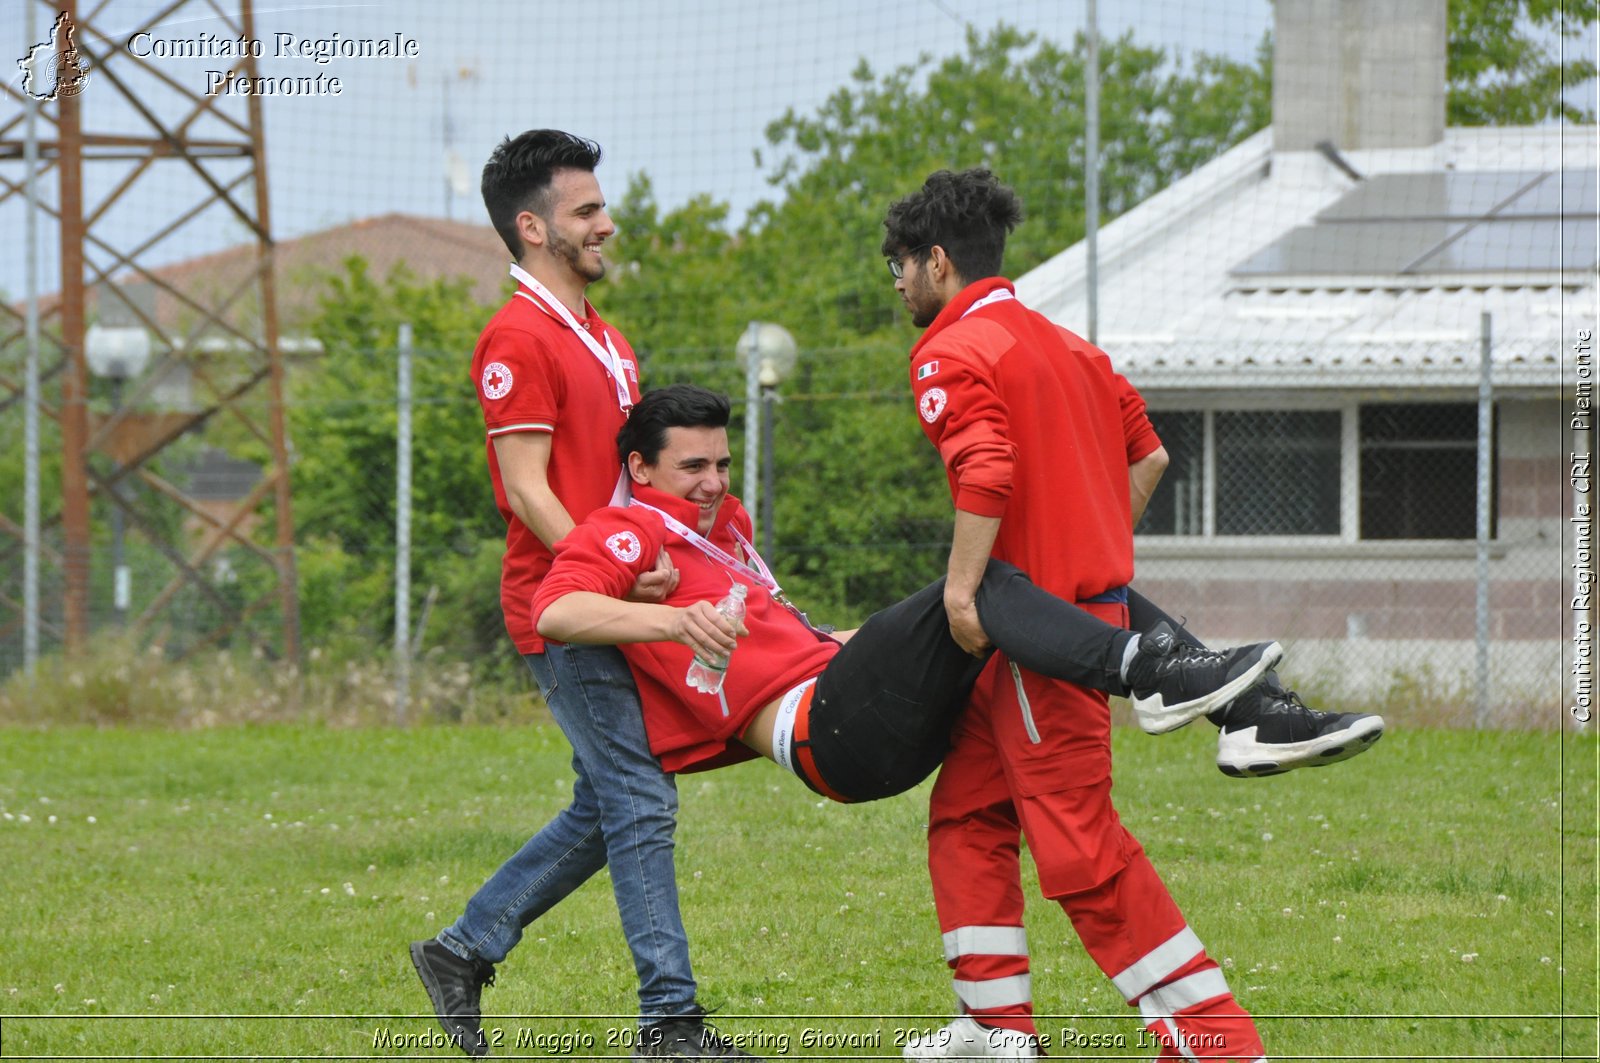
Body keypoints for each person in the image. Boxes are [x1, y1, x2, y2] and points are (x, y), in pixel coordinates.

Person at [882, 169, 1379, 1061]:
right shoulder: (1070, 346)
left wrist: (965, 591)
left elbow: (987, 470)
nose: (897, 282)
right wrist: (1087, 540)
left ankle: (1212, 1037)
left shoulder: (951, 351)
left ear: (939, 261)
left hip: (1041, 640)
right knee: (966, 816)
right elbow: (1147, 456)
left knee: (1079, 847)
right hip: (1074, 618)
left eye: (900, 265)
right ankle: (996, 1029)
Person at [407, 130, 755, 1061]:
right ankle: (669, 1024)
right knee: (640, 799)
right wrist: (600, 568)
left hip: (616, 594)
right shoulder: (515, 336)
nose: (608, 222)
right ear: (533, 227)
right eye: (587, 210)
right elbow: (528, 487)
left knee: (609, 805)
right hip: (561, 606)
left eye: (602, 207)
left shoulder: (605, 337)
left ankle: (462, 949)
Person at [531, 384, 1285, 807]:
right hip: (827, 732)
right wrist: (670, 618)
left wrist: (851, 638)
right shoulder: (626, 529)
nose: (715, 482)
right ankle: (1151, 672)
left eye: (723, 463)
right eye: (693, 465)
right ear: (642, 465)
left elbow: (786, 638)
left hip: (854, 702)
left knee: (1036, 574)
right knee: (981, 578)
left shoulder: (724, 527)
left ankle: (1243, 707)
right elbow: (553, 611)